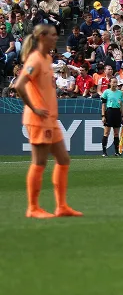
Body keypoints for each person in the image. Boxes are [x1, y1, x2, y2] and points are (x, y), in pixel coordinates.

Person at [14, 23, 82, 219]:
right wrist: (34, 107)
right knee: (40, 162)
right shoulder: (35, 59)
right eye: (52, 35)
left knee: (63, 159)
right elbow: (19, 85)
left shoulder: (47, 58)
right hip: (38, 118)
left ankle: (61, 206)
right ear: (42, 37)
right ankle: (33, 207)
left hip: (50, 119)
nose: (55, 38)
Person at [100, 77, 123, 157]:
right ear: (110, 83)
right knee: (106, 132)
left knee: (116, 133)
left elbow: (121, 105)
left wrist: (122, 115)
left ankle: (116, 152)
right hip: (109, 112)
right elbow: (103, 105)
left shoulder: (120, 93)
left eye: (116, 82)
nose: (115, 84)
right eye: (113, 82)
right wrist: (103, 115)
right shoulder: (106, 92)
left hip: (117, 112)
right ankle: (104, 152)